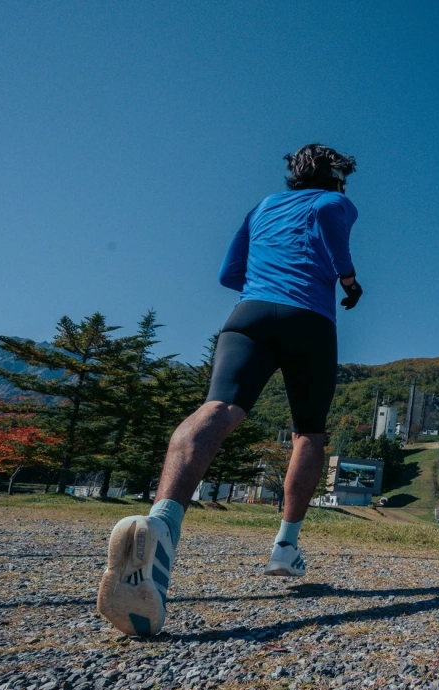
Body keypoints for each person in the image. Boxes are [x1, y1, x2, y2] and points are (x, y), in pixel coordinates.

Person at [97, 144, 365, 637]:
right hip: (310, 319)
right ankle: (286, 547)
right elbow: (329, 215)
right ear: (334, 175)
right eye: (343, 177)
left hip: (249, 315)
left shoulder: (261, 207)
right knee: (309, 434)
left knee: (216, 408)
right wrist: (347, 279)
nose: (345, 186)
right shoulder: (335, 201)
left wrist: (266, 281)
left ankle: (162, 523)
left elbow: (228, 274)